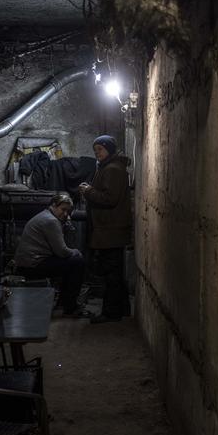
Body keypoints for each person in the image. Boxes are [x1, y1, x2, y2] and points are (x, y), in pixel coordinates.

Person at [78, 135, 131, 324]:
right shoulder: (108, 168)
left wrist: (88, 191)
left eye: (100, 150)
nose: (97, 154)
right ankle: (121, 309)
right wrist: (91, 189)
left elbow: (110, 199)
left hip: (111, 229)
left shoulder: (113, 169)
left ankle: (111, 313)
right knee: (114, 271)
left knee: (111, 273)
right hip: (109, 228)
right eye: (95, 151)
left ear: (109, 149)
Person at [13, 193, 93, 318]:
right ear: (54, 206)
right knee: (78, 262)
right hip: (32, 265)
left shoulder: (45, 215)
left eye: (68, 211)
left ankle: (63, 302)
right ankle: (70, 307)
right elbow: (62, 251)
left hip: (26, 263)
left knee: (71, 262)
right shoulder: (51, 221)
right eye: (63, 209)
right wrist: (76, 251)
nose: (66, 214)